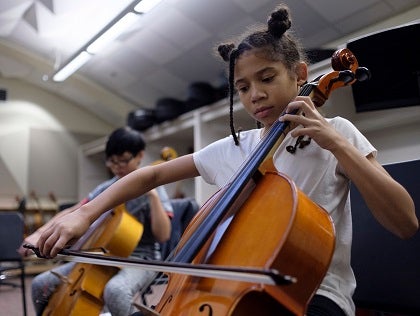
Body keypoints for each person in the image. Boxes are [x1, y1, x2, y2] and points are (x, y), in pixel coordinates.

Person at [33, 4, 418, 316]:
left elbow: (404, 223)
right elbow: (151, 175)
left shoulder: (337, 133)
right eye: (243, 87)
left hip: (314, 294)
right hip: (228, 290)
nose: (255, 95)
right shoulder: (235, 148)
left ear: (299, 73)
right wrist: (82, 214)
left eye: (267, 78)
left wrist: (336, 144)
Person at [20, 126, 173, 316]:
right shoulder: (107, 187)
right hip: (103, 255)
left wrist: (153, 196)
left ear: (140, 155)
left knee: (115, 291)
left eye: (123, 160)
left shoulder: (153, 184)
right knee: (40, 284)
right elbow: (74, 211)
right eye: (112, 161)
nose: (117, 167)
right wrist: (38, 233)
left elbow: (164, 234)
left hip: (141, 259)